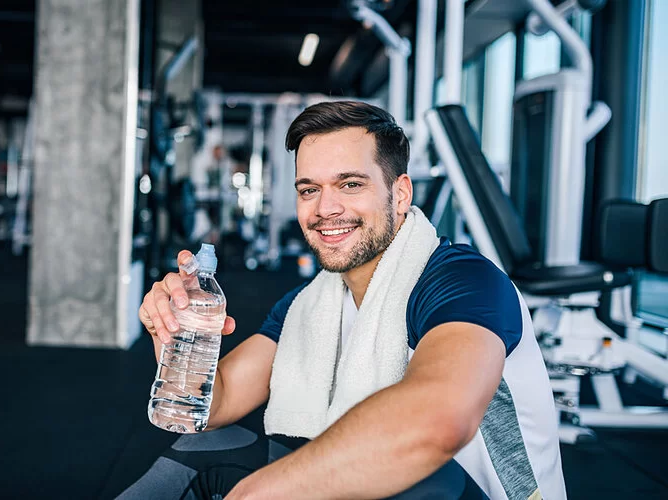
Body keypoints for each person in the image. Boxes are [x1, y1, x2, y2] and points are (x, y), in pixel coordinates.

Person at [129, 101, 566, 499]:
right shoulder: (308, 304)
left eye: (350, 184)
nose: (325, 208)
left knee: (420, 478)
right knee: (204, 449)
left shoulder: (462, 283)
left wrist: (261, 489)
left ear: (400, 193)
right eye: (308, 190)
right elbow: (213, 404)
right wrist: (175, 333)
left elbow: (438, 422)